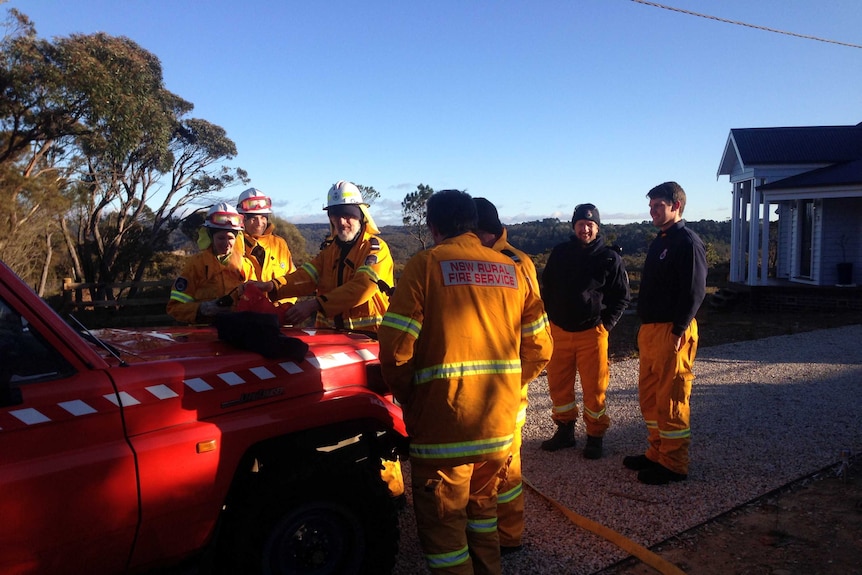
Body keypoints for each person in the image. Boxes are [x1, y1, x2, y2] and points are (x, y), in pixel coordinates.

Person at [378, 190, 553, 575]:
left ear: (432, 226)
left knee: (445, 539)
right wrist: (508, 385)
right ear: (474, 225)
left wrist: (411, 398)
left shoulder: (425, 265)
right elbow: (540, 347)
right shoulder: (512, 269)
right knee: (483, 515)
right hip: (497, 428)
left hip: (443, 430)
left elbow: (394, 351)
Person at [473, 197, 548, 555]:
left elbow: (537, 340)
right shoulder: (478, 260)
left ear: (486, 233)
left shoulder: (515, 264)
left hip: (505, 386)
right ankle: (484, 533)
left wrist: (515, 380)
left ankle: (507, 536)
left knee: (506, 468)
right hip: (478, 385)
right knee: (482, 468)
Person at [623, 182, 706, 485]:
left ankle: (674, 463)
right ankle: (656, 452)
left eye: (659, 205)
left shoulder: (687, 242)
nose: (652, 211)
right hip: (651, 330)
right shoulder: (661, 241)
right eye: (651, 206)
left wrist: (679, 328)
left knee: (671, 396)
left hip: (673, 330)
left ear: (676, 206)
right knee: (650, 395)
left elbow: (695, 291)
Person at [540, 203, 631, 460]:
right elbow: (546, 288)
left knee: (595, 388)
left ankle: (595, 436)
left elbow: (622, 298)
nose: (585, 229)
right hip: (559, 331)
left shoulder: (610, 258)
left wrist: (606, 325)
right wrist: (549, 319)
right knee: (558, 386)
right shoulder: (560, 253)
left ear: (597, 227)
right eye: (581, 224)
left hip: (593, 333)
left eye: (590, 225)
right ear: (574, 226)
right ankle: (565, 432)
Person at [259, 180, 393, 332]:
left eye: (348, 215)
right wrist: (272, 286)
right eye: (335, 216)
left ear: (361, 216)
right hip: (330, 340)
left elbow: (363, 287)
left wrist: (315, 304)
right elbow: (305, 277)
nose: (341, 222)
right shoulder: (330, 251)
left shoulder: (375, 249)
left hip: (368, 341)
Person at [167, 203, 256, 324]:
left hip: (238, 333)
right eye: (220, 238)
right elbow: (175, 308)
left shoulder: (245, 266)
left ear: (237, 238)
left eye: (230, 238)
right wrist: (201, 309)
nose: (226, 243)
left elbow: (256, 303)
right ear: (210, 237)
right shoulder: (196, 265)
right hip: (203, 335)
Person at [235, 187, 297, 307]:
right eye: (253, 218)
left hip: (280, 316)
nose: (259, 223)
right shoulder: (234, 246)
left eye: (263, 217)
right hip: (246, 317)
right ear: (242, 219)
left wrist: (282, 308)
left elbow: (292, 280)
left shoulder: (279, 244)